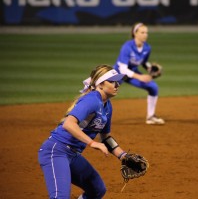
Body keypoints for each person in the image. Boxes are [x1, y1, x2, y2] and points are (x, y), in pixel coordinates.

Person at [38, 65, 129, 199]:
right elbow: (69, 124)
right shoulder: (92, 99)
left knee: (97, 190)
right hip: (56, 151)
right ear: (101, 84)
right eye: (112, 81)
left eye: (118, 82)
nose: (117, 85)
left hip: (73, 155)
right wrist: (92, 143)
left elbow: (105, 137)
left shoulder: (107, 106)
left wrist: (123, 156)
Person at [113, 22, 165, 125]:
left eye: (146, 32)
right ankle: (87, 117)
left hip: (133, 72)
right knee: (104, 94)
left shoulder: (147, 48)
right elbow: (123, 68)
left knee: (153, 87)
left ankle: (150, 117)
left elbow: (144, 62)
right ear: (135, 33)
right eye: (142, 32)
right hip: (119, 73)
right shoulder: (127, 47)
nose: (145, 34)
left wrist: (150, 68)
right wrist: (140, 77)